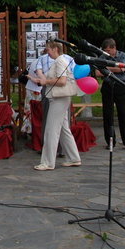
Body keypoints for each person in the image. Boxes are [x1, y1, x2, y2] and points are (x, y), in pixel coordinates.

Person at [31, 42, 81, 171]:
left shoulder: (60, 61)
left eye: (48, 50)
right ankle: (73, 157)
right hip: (60, 98)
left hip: (59, 98)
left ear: (55, 49)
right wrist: (39, 80)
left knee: (51, 130)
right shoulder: (61, 61)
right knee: (64, 129)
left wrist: (45, 81)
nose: (47, 52)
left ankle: (48, 162)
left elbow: (62, 81)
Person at [96, 38, 125, 150]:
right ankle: (110, 140)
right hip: (108, 86)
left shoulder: (122, 55)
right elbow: (97, 72)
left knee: (123, 113)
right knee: (108, 114)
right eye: (105, 50)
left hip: (120, 85)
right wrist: (112, 68)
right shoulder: (102, 57)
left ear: (114, 48)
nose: (107, 53)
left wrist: (106, 68)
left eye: (108, 50)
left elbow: (122, 69)